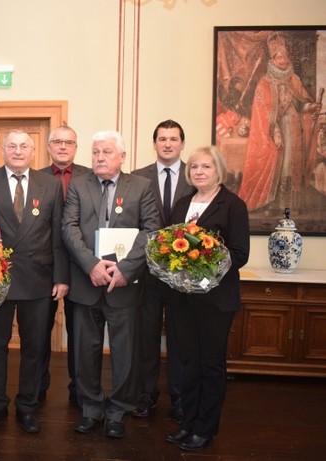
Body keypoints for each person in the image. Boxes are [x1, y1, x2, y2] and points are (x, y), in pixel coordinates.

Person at [61, 130, 160, 439]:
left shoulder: (141, 187)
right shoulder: (79, 185)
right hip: (86, 283)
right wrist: (90, 264)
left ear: (122, 156)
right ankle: (91, 409)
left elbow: (151, 230)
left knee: (124, 354)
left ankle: (118, 411)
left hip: (124, 285)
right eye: (95, 152)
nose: (99, 158)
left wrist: (126, 270)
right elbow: (69, 227)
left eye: (106, 152)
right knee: (85, 353)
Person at [0, 130, 69, 434]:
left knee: (34, 347)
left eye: (24, 146)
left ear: (33, 151)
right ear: (3, 150)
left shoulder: (50, 184)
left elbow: (58, 234)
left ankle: (28, 407)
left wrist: (61, 277)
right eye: (12, 146)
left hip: (38, 280)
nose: (18, 151)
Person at [165, 146, 250, 452]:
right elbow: (167, 245)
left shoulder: (233, 205)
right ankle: (187, 423)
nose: (199, 171)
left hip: (215, 301)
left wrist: (204, 267)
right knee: (187, 363)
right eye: (195, 167)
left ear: (219, 171)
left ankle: (205, 428)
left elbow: (239, 254)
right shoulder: (183, 203)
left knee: (210, 364)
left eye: (206, 167)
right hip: (182, 300)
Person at [130, 119, 195, 424]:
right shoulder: (137, 178)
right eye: (162, 139)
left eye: (173, 139)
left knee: (181, 339)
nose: (168, 144)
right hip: (147, 274)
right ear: (153, 143)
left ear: (182, 144)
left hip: (184, 276)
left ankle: (180, 397)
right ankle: (145, 395)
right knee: (146, 337)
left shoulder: (195, 176)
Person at [239, 32, 322, 213]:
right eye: (279, 57)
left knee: (293, 164)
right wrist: (275, 130)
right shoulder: (264, 83)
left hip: (294, 128)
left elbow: (300, 105)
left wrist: (311, 106)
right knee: (281, 164)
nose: (283, 61)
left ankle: (292, 204)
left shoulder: (294, 79)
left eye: (285, 57)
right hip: (274, 131)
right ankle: (275, 203)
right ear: (273, 59)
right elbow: (262, 114)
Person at [38, 125, 90, 405]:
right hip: (45, 267)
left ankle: (79, 389)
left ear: (75, 147)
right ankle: (39, 387)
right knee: (40, 330)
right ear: (48, 147)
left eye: (68, 142)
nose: (62, 146)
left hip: (82, 267)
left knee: (80, 332)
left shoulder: (90, 177)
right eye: (57, 141)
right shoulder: (37, 178)